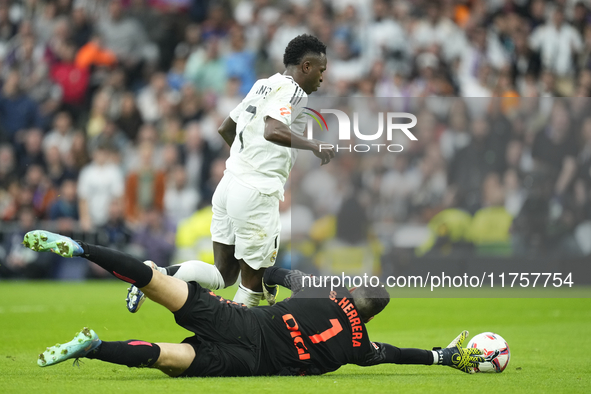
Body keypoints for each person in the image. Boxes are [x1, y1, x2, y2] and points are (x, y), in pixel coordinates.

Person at [23, 230, 484, 376]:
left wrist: (270, 279)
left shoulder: (319, 289)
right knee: (174, 358)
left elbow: (273, 273)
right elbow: (398, 356)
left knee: (160, 284)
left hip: (244, 321)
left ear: (354, 294)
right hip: (252, 360)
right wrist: (441, 356)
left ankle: (83, 249)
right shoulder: (363, 348)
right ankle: (94, 346)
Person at [127, 33, 335, 310]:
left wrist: (246, 159)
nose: (322, 78)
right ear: (306, 66)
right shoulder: (295, 92)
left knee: (222, 274)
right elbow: (273, 129)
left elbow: (226, 128)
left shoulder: (264, 84)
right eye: (321, 70)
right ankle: (232, 347)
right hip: (256, 191)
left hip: (229, 184)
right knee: (250, 287)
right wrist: (314, 145)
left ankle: (155, 274)